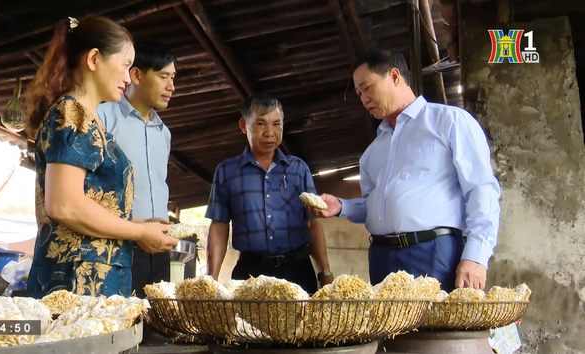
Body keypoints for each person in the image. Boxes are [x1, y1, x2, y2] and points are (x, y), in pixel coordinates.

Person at [308, 47, 501, 292]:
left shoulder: (449, 122)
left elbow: (481, 190)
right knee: (388, 331)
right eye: (358, 93)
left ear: (395, 76)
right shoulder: (372, 152)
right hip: (381, 256)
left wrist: (475, 256)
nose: (363, 98)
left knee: (436, 329)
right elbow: (375, 207)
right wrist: (343, 206)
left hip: (433, 252)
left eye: (367, 88)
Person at [23, 15, 178, 299]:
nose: (127, 76)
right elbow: (64, 205)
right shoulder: (72, 113)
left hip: (95, 275)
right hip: (77, 279)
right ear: (94, 59)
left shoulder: (89, 118)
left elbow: (88, 200)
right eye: (125, 65)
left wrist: (139, 223)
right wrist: (138, 232)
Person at [205, 93, 333, 294]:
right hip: (250, 271)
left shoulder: (298, 169)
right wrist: (210, 279)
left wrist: (325, 273)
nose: (269, 132)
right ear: (243, 126)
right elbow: (220, 226)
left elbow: (312, 223)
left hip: (297, 269)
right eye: (260, 124)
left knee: (299, 326)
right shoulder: (227, 172)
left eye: (276, 124)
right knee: (247, 326)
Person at [97, 41, 178, 299]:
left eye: (173, 78)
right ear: (136, 75)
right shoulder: (104, 116)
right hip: (120, 246)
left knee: (156, 331)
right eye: (163, 76)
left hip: (159, 249)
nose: (171, 87)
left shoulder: (163, 132)